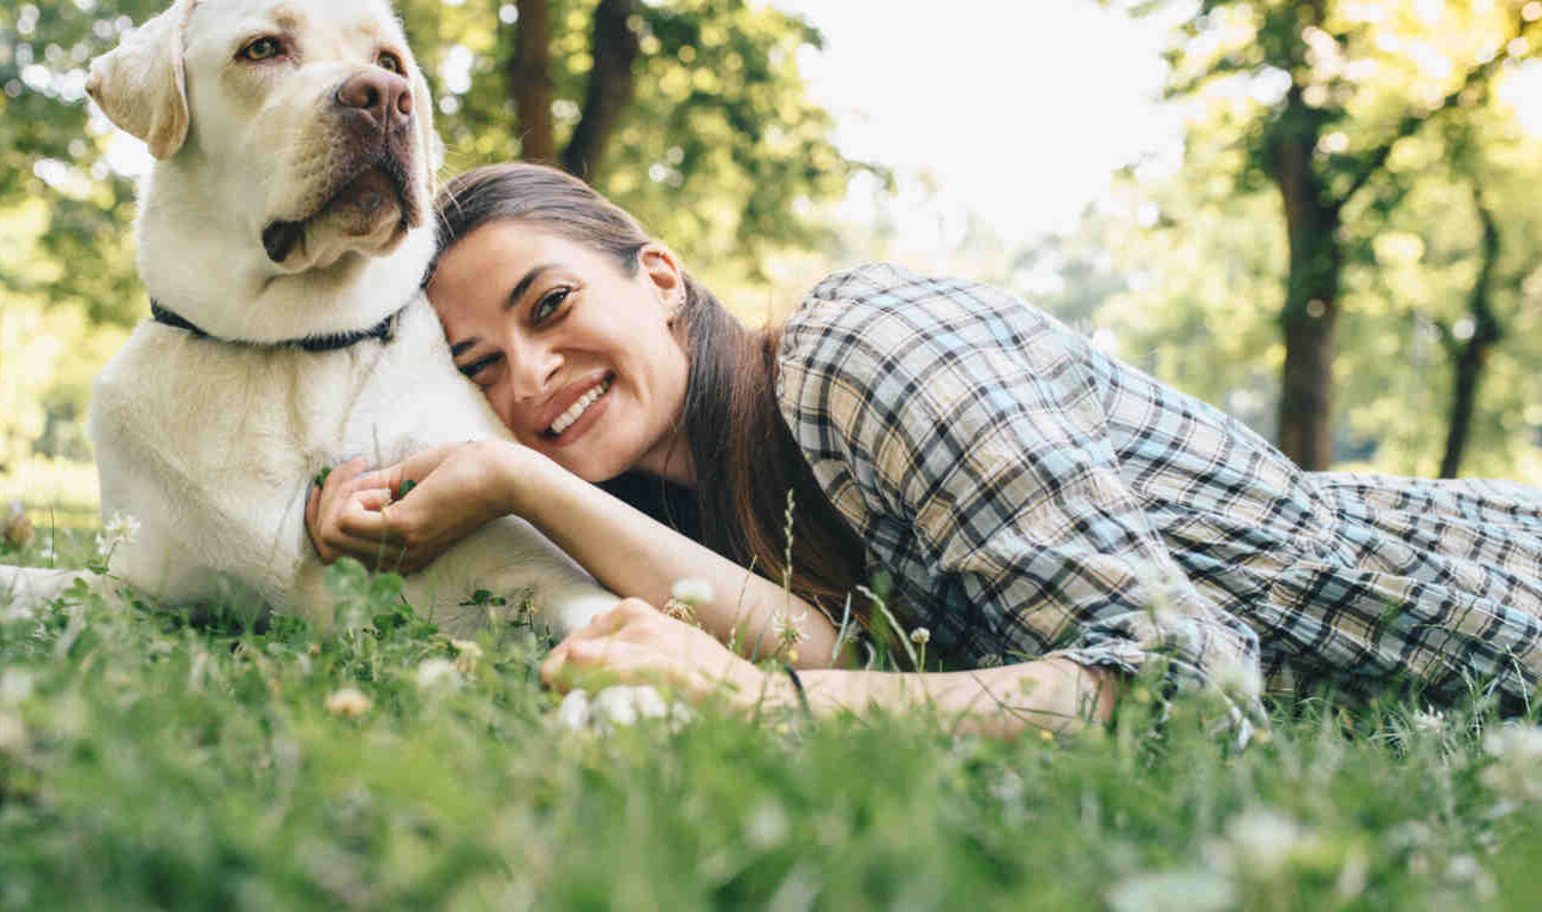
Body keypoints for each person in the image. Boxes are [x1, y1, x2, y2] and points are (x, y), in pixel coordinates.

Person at [305, 161, 1542, 738]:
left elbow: (1185, 688)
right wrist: (512, 481)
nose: (528, 379)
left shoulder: (866, 350)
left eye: (552, 306)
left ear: (662, 279)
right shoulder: (712, 499)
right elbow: (838, 648)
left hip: (1487, 603)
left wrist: (762, 705)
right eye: (481, 367)